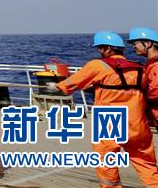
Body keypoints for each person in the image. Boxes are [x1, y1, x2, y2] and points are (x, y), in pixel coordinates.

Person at [49, 31, 158, 188]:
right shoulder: (140, 69)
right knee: (146, 163)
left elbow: (72, 83)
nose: (99, 51)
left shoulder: (97, 65)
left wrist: (56, 86)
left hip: (109, 123)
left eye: (100, 48)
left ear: (107, 49)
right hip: (137, 124)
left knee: (107, 162)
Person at [128, 27, 158, 128]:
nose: (134, 47)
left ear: (148, 43)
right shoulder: (151, 64)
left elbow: (155, 91)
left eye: (135, 43)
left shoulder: (155, 65)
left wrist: (134, 94)